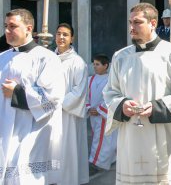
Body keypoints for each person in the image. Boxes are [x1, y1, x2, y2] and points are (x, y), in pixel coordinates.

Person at [103, 2, 171, 184]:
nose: (132, 27)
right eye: (130, 22)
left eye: (137, 22)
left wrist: (157, 108)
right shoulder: (120, 57)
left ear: (153, 23)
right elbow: (110, 92)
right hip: (131, 138)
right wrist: (122, 105)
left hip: (165, 137)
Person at [0, 9, 65, 184]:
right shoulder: (2, 58)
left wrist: (17, 92)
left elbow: (53, 98)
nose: (7, 31)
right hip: (3, 130)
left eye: (12, 26)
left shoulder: (47, 58)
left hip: (31, 131)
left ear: (28, 28)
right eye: (6, 26)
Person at [55, 23, 89, 185]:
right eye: (59, 34)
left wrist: (58, 103)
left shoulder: (77, 62)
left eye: (65, 35)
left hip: (68, 114)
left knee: (68, 149)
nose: (61, 37)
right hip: (49, 114)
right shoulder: (48, 59)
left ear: (72, 38)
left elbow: (79, 90)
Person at [87, 54, 117, 173]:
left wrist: (99, 109)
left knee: (103, 140)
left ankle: (97, 163)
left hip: (104, 115)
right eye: (94, 64)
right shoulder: (90, 79)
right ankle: (105, 160)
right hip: (93, 115)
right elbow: (85, 96)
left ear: (106, 66)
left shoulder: (111, 80)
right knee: (97, 138)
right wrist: (89, 107)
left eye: (97, 64)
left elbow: (112, 97)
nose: (95, 66)